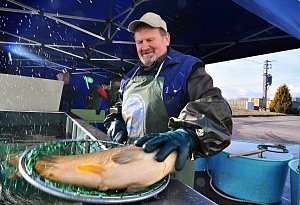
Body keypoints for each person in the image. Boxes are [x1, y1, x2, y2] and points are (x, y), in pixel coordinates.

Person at [104, 12, 232, 186]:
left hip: (172, 174)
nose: (144, 46)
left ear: (166, 39)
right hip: (132, 169)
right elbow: (120, 106)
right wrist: (116, 119)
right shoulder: (129, 77)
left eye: (150, 40)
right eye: (139, 42)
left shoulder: (187, 68)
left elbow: (216, 109)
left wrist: (188, 134)